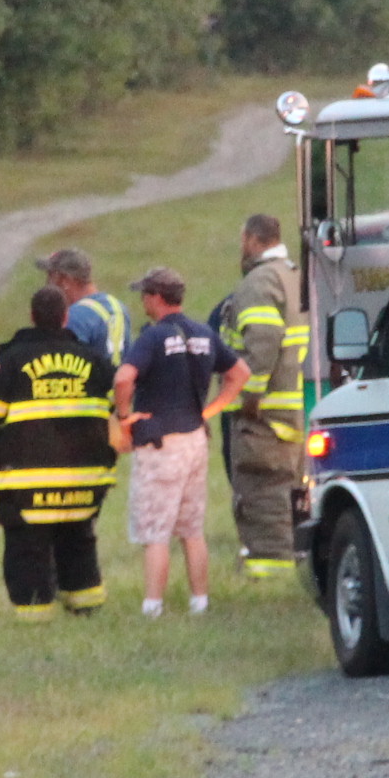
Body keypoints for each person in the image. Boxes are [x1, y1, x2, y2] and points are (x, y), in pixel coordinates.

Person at [0, 287, 119, 621]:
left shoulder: (13, 359)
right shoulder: (93, 360)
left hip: (28, 484)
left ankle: (35, 618)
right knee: (79, 542)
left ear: (32, 316)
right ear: (66, 317)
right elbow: (114, 401)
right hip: (83, 481)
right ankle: (86, 607)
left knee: (28, 552)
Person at [110, 265, 248, 618]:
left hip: (160, 443)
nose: (142, 301)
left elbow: (124, 378)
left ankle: (152, 607)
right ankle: (199, 602)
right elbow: (240, 373)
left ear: (157, 297)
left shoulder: (153, 337)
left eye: (145, 295)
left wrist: (124, 417)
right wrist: (210, 410)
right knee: (191, 528)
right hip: (194, 438)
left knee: (156, 530)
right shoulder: (203, 333)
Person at [218, 214, 306, 579]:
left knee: (263, 492)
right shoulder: (295, 275)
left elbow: (263, 339)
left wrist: (250, 396)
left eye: (244, 240)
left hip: (266, 416)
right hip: (295, 410)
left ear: (253, 240)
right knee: (293, 491)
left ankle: (269, 571)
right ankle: (297, 562)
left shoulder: (259, 282)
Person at [40, 247, 132, 361]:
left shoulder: (74, 317)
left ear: (66, 281)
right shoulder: (118, 306)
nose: (48, 284)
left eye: (51, 276)